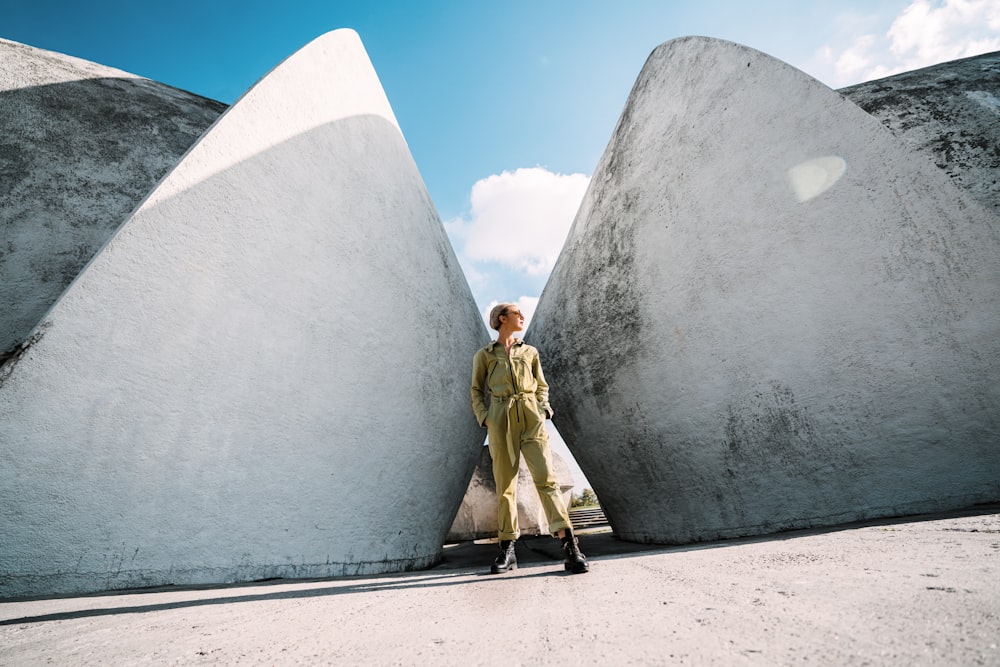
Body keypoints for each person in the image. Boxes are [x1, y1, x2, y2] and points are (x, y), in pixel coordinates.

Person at [470, 303, 589, 575]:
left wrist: (543, 408)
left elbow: (541, 384)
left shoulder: (530, 352)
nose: (522, 316)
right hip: (500, 418)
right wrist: (486, 418)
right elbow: (476, 390)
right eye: (516, 313)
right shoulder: (484, 356)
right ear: (502, 319)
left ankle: (570, 547)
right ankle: (507, 549)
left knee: (547, 481)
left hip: (531, 415)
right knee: (506, 486)